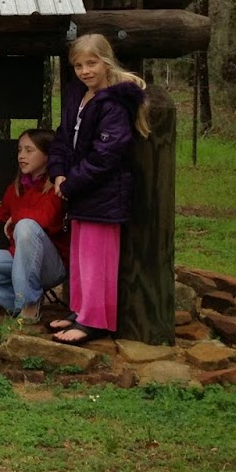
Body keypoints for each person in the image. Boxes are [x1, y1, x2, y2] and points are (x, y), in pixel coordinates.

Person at [47, 34, 149, 345]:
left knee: (97, 259)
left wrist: (73, 182)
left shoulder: (114, 103)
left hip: (102, 194)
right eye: (78, 65)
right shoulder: (80, 97)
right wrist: (59, 174)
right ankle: (79, 311)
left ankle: (95, 321)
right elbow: (64, 138)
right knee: (81, 257)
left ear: (106, 62)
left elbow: (107, 154)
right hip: (79, 191)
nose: (85, 71)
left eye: (91, 63)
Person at [0, 129, 68, 320]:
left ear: (47, 156)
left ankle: (28, 306)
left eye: (29, 150)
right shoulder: (17, 187)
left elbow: (46, 219)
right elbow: (3, 214)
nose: (21, 156)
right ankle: (25, 301)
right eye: (19, 150)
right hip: (19, 260)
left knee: (25, 226)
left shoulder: (56, 187)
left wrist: (17, 218)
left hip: (52, 264)